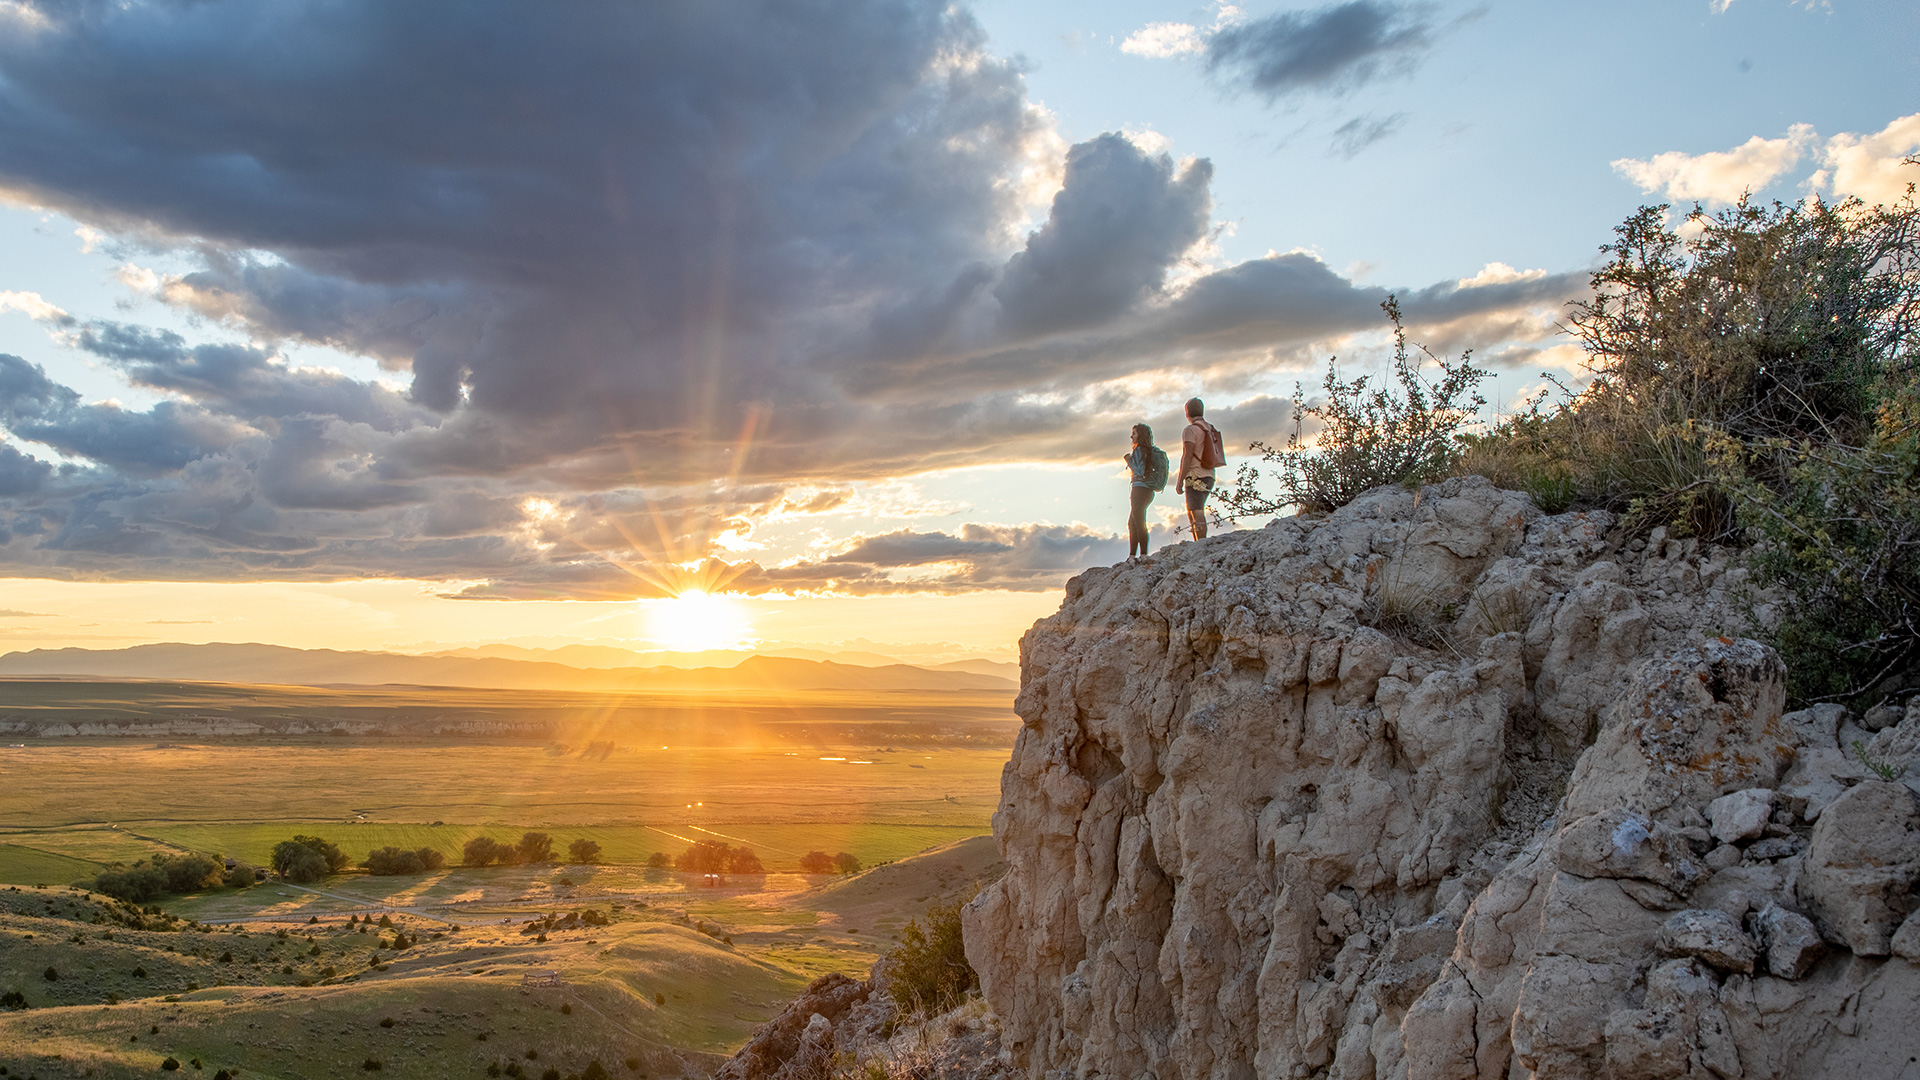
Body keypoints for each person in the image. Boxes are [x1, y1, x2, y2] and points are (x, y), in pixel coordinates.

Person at [1176, 397, 1223, 540]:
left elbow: (1187, 455)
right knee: (1197, 508)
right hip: (1209, 474)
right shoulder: (1210, 428)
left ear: (1187, 413)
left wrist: (1180, 479)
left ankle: (1200, 543)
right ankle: (1199, 541)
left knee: (1195, 511)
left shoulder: (1190, 430)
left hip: (1195, 475)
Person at [1123, 423, 1158, 559]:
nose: (1131, 436)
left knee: (1138, 522)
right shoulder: (1147, 451)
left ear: (1140, 436)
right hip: (1147, 490)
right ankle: (1133, 555)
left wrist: (1128, 460)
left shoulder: (1139, 450)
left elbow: (1139, 470)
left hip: (1140, 489)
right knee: (1133, 522)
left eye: (1134, 433)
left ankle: (1142, 555)